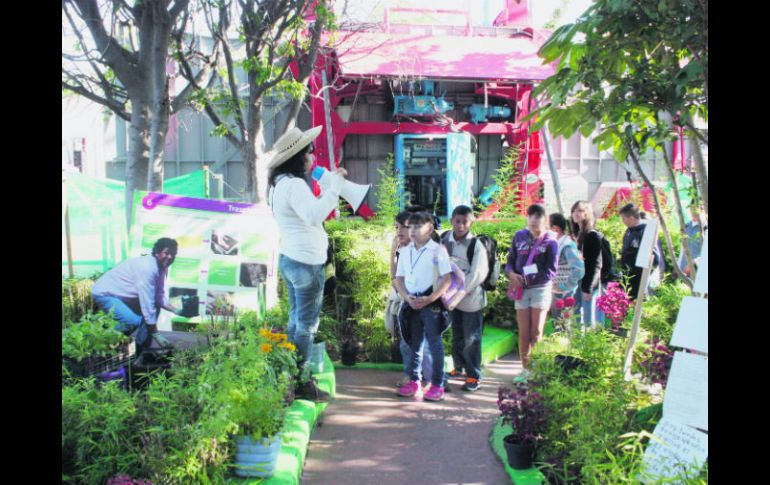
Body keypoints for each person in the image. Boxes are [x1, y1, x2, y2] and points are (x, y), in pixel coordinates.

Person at [267, 125, 347, 402]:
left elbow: (307, 213)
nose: (313, 155)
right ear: (298, 156)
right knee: (306, 326)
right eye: (310, 151)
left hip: (291, 258)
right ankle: (301, 382)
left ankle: (290, 375)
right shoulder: (294, 185)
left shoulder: (279, 184)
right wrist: (335, 187)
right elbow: (314, 216)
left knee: (296, 321)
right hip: (306, 262)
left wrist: (328, 186)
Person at [394, 211, 452, 402]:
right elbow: (399, 278)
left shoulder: (438, 250)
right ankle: (414, 381)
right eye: (410, 226)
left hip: (431, 303)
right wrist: (407, 298)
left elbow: (447, 280)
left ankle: (438, 384)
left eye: (418, 226)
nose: (412, 230)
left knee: (434, 344)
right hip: (411, 303)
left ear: (430, 228)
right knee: (414, 343)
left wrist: (430, 299)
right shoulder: (405, 251)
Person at [91, 238, 180, 349]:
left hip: (121, 294)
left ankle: (142, 349)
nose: (170, 257)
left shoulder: (162, 267)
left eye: (173, 254)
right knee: (131, 321)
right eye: (166, 253)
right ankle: (97, 338)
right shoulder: (148, 268)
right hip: (105, 293)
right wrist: (156, 334)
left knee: (153, 310)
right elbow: (147, 303)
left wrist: (177, 311)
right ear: (157, 252)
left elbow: (159, 297)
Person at [506, 204, 558, 380]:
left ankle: (536, 370)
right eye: (530, 216)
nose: (533, 220)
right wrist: (511, 274)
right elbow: (510, 260)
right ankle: (525, 370)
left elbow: (551, 271)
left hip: (540, 290)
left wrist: (528, 278)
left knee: (536, 332)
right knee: (523, 333)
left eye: (538, 216)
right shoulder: (519, 236)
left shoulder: (551, 241)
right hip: (521, 290)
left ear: (545, 220)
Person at [442, 205, 489, 392]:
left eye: (465, 222)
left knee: (472, 338)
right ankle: (459, 367)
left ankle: (474, 375)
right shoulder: (445, 239)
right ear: (451, 220)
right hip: (450, 299)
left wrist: (460, 291)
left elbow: (477, 274)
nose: (461, 225)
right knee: (457, 335)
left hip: (471, 300)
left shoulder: (476, 245)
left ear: (471, 223)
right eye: (457, 221)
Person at [386, 209, 433, 388]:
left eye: (404, 227)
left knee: (424, 342)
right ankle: (411, 375)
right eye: (397, 227)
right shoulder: (401, 247)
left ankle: (430, 377)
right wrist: (393, 251)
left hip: (423, 301)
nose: (399, 231)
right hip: (405, 300)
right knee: (406, 341)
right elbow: (394, 276)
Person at [569, 201, 605, 329]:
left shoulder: (592, 235)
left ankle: (590, 340)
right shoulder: (577, 235)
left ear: (587, 213)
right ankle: (578, 340)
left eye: (580, 211)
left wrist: (588, 287)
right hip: (577, 281)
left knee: (589, 319)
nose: (576, 214)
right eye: (574, 211)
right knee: (576, 315)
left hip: (588, 281)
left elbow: (596, 264)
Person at [619, 203, 661, 300]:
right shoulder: (629, 231)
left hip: (639, 276)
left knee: (638, 300)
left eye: (624, 219)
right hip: (628, 275)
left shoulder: (646, 230)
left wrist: (639, 272)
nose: (623, 221)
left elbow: (653, 258)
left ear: (631, 218)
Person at [549, 213, 584, 319]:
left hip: (565, 293)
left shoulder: (567, 245)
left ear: (555, 228)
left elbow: (579, 269)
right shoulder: (557, 243)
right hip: (557, 291)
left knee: (564, 324)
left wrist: (564, 286)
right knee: (558, 323)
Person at [678, 205, 707, 276]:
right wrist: (678, 267)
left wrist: (694, 262)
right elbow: (682, 250)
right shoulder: (686, 226)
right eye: (691, 209)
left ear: (702, 210)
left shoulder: (705, 228)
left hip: (699, 273)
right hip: (683, 272)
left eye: (696, 209)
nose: (693, 212)